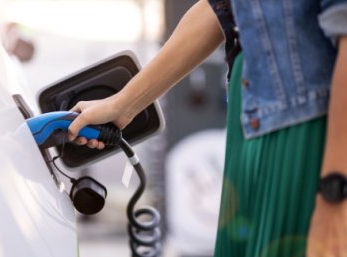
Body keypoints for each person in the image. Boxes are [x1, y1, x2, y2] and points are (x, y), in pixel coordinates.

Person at [67, 0, 347, 256]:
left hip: (309, 134)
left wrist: (337, 195)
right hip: (251, 127)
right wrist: (123, 104)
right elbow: (217, 8)